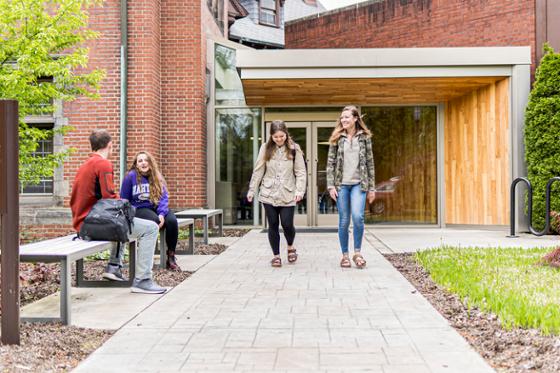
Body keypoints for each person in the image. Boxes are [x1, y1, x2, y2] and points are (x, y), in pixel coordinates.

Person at [70, 129, 166, 294]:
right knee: (149, 228)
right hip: (92, 224)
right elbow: (110, 197)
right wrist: (127, 207)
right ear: (110, 145)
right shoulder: (103, 164)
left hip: (84, 223)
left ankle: (114, 267)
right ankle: (143, 280)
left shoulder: (85, 165)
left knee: (123, 220)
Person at [247, 120, 307, 267]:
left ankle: (290, 246)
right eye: (276, 137)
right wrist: (252, 189)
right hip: (268, 193)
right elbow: (259, 169)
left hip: (288, 193)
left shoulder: (294, 149)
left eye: (281, 136)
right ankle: (276, 256)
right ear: (271, 136)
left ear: (286, 134)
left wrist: (300, 191)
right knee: (272, 224)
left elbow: (300, 172)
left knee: (287, 224)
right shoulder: (265, 148)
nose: (279, 139)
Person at [326, 105, 376, 269]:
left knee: (358, 217)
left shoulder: (365, 138)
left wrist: (372, 188)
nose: (344, 120)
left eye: (347, 117)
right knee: (344, 221)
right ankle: (345, 256)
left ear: (355, 119)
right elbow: (330, 163)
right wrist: (330, 185)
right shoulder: (337, 138)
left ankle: (357, 252)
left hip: (358, 185)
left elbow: (370, 163)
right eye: (342, 117)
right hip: (341, 186)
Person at [121, 151, 181, 271]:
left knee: (172, 221)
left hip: (157, 207)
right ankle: (147, 258)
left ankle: (171, 256)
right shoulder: (130, 177)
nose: (143, 163)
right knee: (154, 221)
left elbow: (164, 198)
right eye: (140, 161)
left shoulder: (157, 176)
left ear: (150, 162)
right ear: (136, 164)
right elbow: (124, 199)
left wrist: (162, 214)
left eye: (146, 160)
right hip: (139, 208)